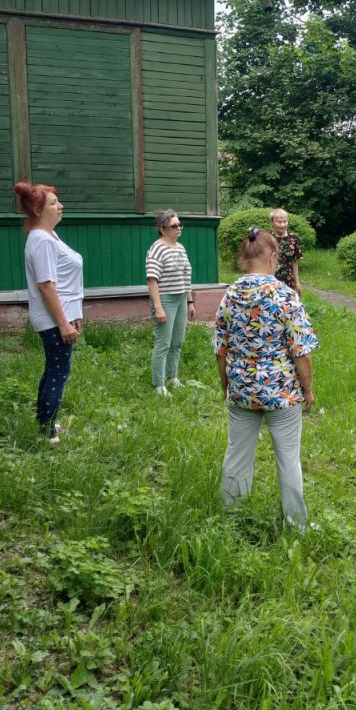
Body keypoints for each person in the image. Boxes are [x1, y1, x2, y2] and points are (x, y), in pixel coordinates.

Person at [212, 227, 319, 528]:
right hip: (282, 392)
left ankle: (232, 520)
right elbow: (302, 352)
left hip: (241, 389)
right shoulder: (285, 295)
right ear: (273, 257)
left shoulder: (230, 294)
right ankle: (296, 524)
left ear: (244, 258)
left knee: (237, 455)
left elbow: (220, 350)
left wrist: (226, 385)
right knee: (288, 460)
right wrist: (308, 391)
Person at [13, 181, 84, 445]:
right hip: (54, 320)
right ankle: (47, 433)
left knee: (54, 369)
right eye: (53, 203)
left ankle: (47, 421)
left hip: (61, 316)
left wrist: (73, 315)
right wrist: (64, 324)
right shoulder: (41, 240)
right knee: (58, 371)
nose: (60, 206)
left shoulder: (49, 235)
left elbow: (64, 283)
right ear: (37, 210)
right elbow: (46, 285)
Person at [146, 209, 195, 397]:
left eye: (179, 224)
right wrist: (158, 307)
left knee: (177, 342)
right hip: (166, 299)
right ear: (161, 228)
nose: (178, 228)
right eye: (174, 225)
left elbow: (186, 277)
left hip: (182, 298)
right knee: (163, 343)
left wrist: (190, 301)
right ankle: (159, 385)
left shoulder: (180, 247)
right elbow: (152, 280)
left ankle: (172, 377)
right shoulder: (157, 248)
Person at [269, 208, 303, 294]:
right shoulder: (267, 239)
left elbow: (294, 262)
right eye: (279, 222)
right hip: (270, 281)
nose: (282, 225)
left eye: (285, 221)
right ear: (272, 222)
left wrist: (297, 283)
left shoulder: (294, 239)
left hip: (288, 281)